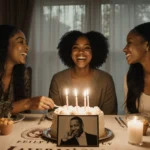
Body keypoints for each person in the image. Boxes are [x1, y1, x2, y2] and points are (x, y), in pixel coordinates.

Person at [49, 30, 117, 114]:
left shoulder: (106, 80)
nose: (81, 52)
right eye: (76, 47)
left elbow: (109, 116)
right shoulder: (58, 79)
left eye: (87, 48)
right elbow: (53, 115)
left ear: (94, 51)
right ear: (69, 52)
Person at [0, 24, 54, 116]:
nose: (27, 47)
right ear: (4, 44)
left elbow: (23, 114)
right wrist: (28, 103)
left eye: (26, 43)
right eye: (21, 42)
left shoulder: (23, 74)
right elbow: (25, 105)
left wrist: (29, 104)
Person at [123, 22, 150, 114]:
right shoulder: (130, 77)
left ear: (147, 45)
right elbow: (130, 117)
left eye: (129, 43)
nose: (124, 49)